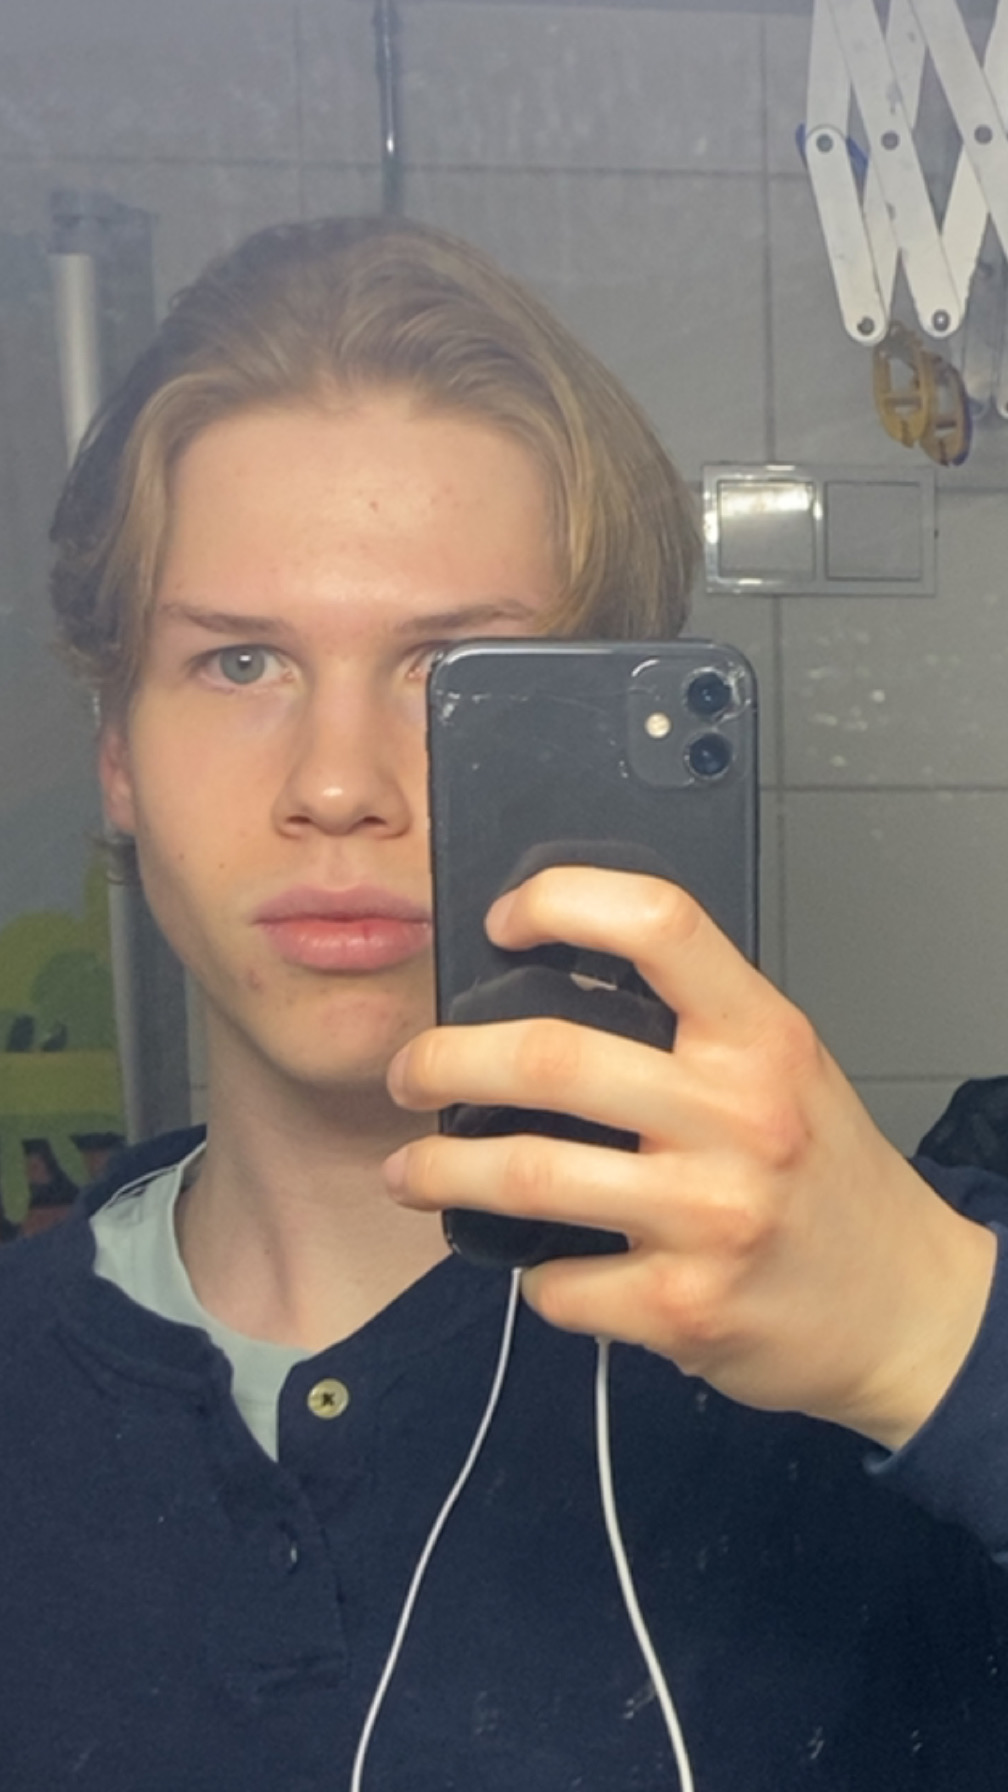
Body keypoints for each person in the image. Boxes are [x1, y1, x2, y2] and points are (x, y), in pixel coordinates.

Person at [2, 214, 1007, 1792]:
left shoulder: (876, 1326)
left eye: (452, 671)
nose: (339, 785)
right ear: (117, 756)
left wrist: (938, 1339)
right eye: (242, 663)